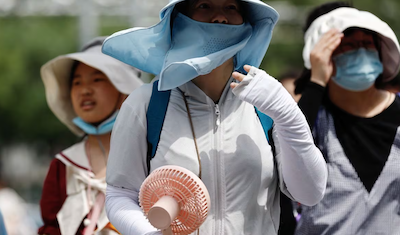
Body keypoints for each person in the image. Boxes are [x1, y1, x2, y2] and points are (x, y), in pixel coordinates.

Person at [103, 0, 328, 234]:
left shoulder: (267, 100)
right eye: (204, 6)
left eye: (231, 7)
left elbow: (309, 193)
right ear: (178, 21)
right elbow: (121, 194)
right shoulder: (146, 103)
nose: (219, 18)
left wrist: (289, 116)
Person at [294, 2, 400, 234]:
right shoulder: (314, 120)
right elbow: (288, 149)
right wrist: (316, 81)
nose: (360, 51)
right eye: (348, 45)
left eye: (367, 44)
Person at [38, 37, 143, 235]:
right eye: (77, 83)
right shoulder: (63, 165)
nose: (85, 90)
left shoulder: (150, 156)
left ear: (125, 92)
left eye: (97, 79)